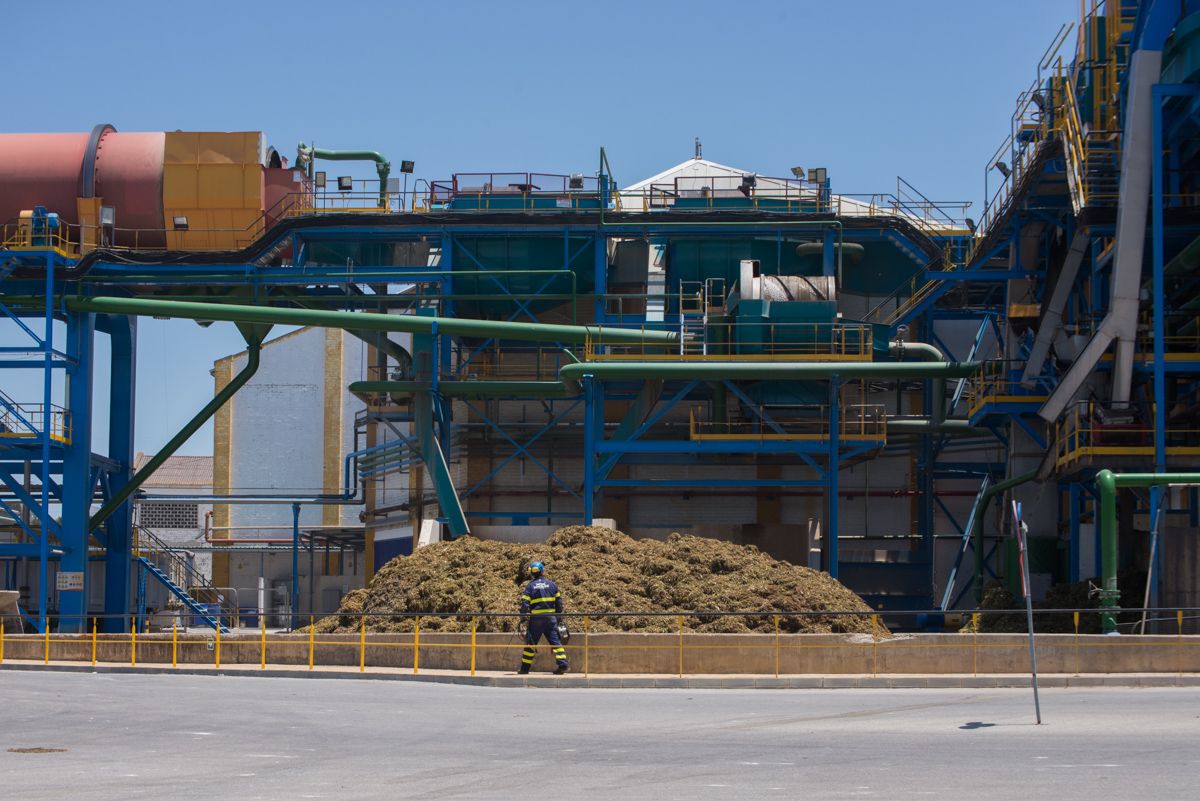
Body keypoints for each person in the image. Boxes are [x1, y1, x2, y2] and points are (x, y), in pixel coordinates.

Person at [517, 561, 568, 675]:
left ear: (532, 573)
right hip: (551, 619)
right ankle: (563, 664)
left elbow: (525, 604)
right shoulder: (552, 585)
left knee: (531, 643)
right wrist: (558, 617)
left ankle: (525, 669)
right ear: (542, 571)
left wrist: (522, 618)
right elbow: (559, 603)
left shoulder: (530, 586)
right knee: (555, 642)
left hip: (536, 619)